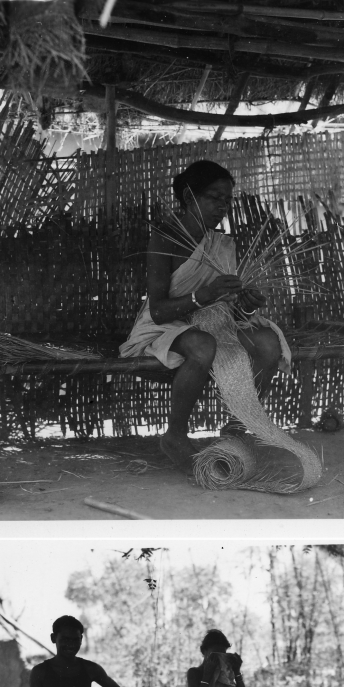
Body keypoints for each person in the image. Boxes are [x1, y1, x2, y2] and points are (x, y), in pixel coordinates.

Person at [120, 160, 290, 471]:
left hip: (214, 324)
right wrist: (204, 295)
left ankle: (238, 428)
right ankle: (175, 435)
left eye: (227, 199)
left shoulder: (222, 244)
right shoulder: (165, 239)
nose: (222, 206)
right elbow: (158, 311)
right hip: (166, 327)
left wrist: (247, 304)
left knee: (267, 342)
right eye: (214, 197)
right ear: (188, 198)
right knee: (202, 345)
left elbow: (230, 307)